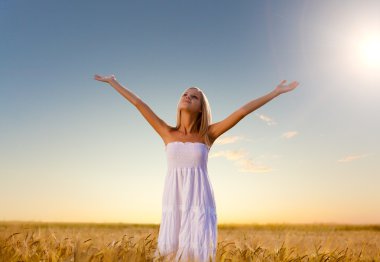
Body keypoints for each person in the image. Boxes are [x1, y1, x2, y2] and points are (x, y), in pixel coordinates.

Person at [94, 74, 299, 261]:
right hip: (174, 200)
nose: (187, 97)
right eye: (185, 94)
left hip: (199, 200)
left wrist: (275, 92)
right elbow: (139, 103)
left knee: (194, 251)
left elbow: (242, 111)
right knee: (171, 252)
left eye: (194, 96)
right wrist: (113, 82)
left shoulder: (208, 135)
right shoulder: (167, 132)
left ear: (201, 108)